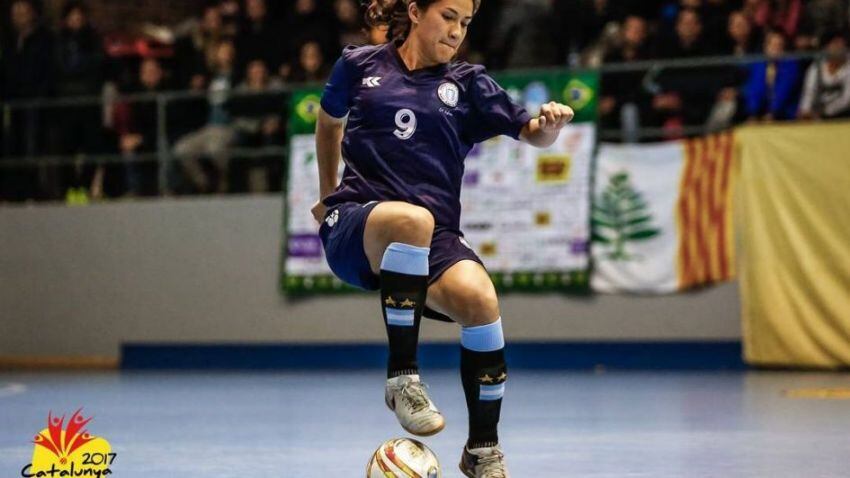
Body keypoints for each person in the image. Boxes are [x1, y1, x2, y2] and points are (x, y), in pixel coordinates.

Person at [311, 0, 573, 476]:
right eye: (448, 16)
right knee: (412, 221)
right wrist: (327, 194)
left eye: (466, 23)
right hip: (356, 224)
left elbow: (531, 132)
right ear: (414, 11)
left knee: (480, 299)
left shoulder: (469, 84)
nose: (457, 32)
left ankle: (482, 450)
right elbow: (328, 122)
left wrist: (549, 127)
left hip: (434, 236)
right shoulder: (358, 64)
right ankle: (402, 379)